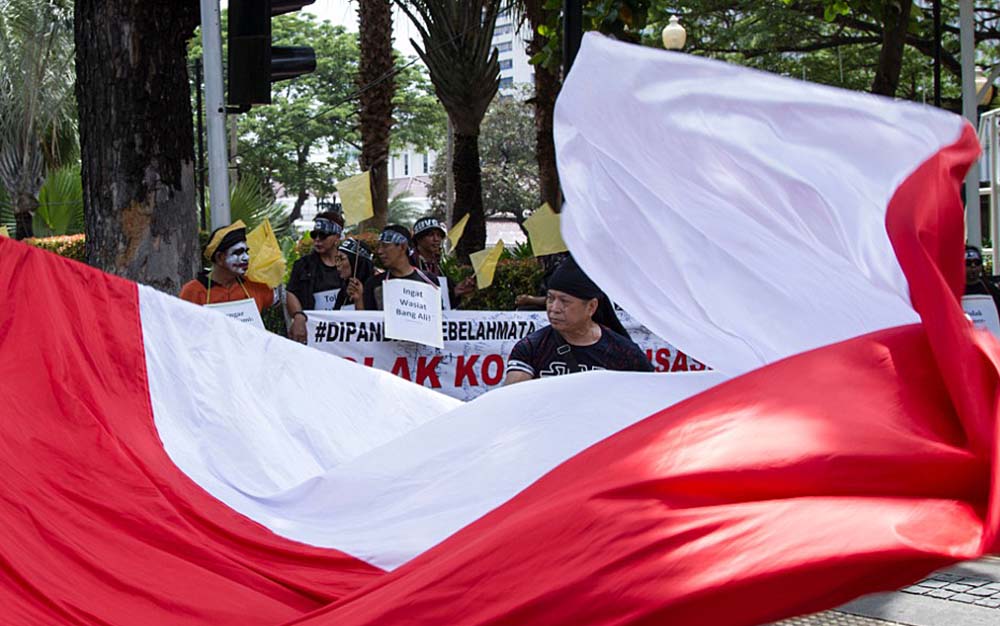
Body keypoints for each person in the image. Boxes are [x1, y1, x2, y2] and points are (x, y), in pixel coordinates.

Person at [505, 256, 652, 385]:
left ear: (591, 306)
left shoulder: (624, 352)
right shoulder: (532, 347)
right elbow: (511, 398)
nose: (554, 308)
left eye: (564, 301)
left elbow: (647, 396)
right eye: (550, 298)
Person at [179, 221, 276, 313]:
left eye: (246, 252)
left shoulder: (254, 285)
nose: (246, 258)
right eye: (238, 252)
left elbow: (280, 298)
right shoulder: (193, 291)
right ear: (220, 257)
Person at [285, 212, 344, 342]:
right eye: (314, 235)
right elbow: (291, 292)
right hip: (313, 333)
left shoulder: (351, 264)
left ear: (337, 237)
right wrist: (299, 316)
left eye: (323, 235)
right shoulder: (303, 265)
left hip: (345, 334)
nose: (317, 239)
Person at [362, 224, 439, 311]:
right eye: (379, 246)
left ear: (403, 247)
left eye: (385, 246)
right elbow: (369, 319)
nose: (379, 251)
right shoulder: (374, 284)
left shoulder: (429, 281)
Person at [410, 215, 475, 307]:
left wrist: (457, 291)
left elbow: (446, 304)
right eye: (431, 235)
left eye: (439, 235)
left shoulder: (440, 268)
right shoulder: (408, 264)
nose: (436, 239)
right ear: (418, 239)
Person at [333, 238, 374, 310]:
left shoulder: (375, 289)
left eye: (341, 259)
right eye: (336, 259)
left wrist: (359, 301)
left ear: (356, 263)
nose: (337, 264)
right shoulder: (343, 292)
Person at [965, 245, 1000, 311]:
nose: (973, 266)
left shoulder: (991, 289)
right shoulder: (953, 290)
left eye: (977, 263)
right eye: (968, 263)